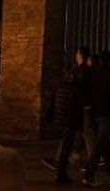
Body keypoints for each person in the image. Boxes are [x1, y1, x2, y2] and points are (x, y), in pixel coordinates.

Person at [44, 47, 90, 185]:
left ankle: (62, 168)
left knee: (68, 141)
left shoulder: (68, 81)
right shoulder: (82, 76)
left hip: (66, 115)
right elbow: (83, 98)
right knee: (70, 142)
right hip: (72, 115)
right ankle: (61, 172)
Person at [83, 50, 110, 185]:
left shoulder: (92, 74)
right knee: (100, 144)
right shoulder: (109, 74)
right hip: (107, 113)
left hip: (95, 112)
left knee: (105, 142)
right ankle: (89, 175)